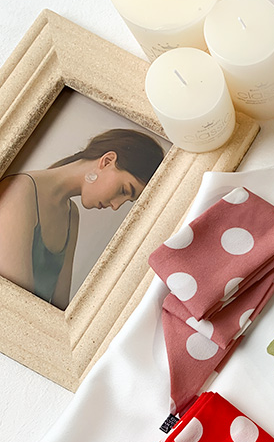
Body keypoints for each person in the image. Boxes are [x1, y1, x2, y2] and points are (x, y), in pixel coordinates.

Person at [0, 128, 164, 309]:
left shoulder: (71, 215)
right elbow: (15, 304)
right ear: (107, 161)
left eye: (127, 200)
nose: (116, 205)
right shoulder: (19, 191)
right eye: (124, 190)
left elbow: (60, 306)